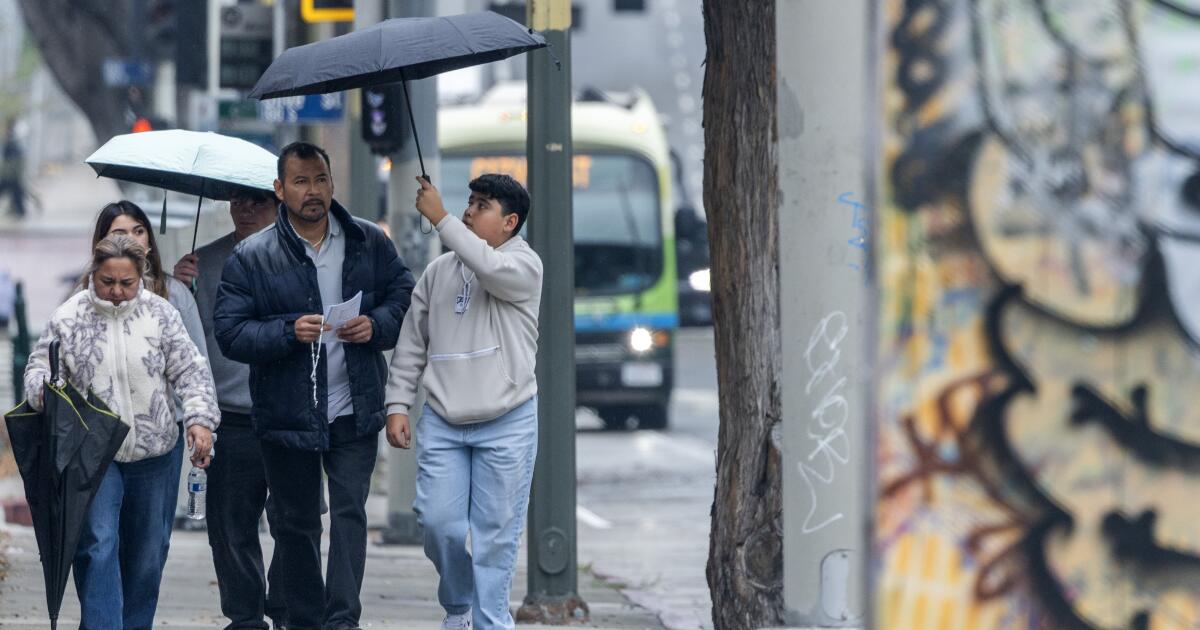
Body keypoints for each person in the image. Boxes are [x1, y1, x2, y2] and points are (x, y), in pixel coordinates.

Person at [214, 142, 415, 630]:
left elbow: (403, 293)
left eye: (320, 179)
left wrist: (376, 324)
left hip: (354, 405)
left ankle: (342, 619)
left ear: (332, 183)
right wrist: (287, 332)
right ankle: (305, 619)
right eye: (300, 182)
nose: (312, 191)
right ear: (280, 190)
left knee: (349, 513)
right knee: (297, 523)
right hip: (287, 410)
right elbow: (230, 331)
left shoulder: (369, 240)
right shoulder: (252, 256)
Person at [23, 235, 218, 629]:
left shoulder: (161, 314)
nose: (115, 291)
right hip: (94, 457)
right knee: (98, 544)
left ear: (141, 275)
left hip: (155, 453)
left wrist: (199, 421)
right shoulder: (70, 317)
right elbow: (37, 370)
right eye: (107, 281)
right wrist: (43, 393)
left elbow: (191, 371)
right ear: (93, 274)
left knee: (148, 555)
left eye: (125, 283)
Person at [384, 174, 542, 630]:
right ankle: (459, 607)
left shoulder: (524, 265)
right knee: (438, 524)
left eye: (482, 205)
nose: (469, 211)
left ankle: (491, 621)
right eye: (468, 202)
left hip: (508, 419)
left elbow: (489, 270)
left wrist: (441, 218)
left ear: (510, 222)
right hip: (444, 420)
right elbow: (412, 344)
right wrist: (398, 404)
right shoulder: (439, 272)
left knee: (496, 538)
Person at [174, 186, 288, 629]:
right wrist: (178, 289)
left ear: (278, 207)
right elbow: (182, 336)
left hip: (287, 410)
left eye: (256, 202)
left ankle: (285, 608)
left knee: (292, 523)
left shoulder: (301, 257)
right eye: (237, 202)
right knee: (230, 526)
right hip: (230, 414)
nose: (244, 210)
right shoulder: (203, 263)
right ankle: (244, 617)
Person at [81, 201, 209, 537]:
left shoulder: (173, 296)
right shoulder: (84, 300)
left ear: (150, 240)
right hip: (100, 435)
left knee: (149, 542)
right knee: (100, 537)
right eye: (120, 233)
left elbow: (197, 367)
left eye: (139, 231)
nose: (133, 240)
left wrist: (199, 421)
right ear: (102, 243)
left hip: (161, 435)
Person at [0, 119, 27, 218]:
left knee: (16, 193)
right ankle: (21, 211)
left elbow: (14, 159)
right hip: (12, 174)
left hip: (10, 173)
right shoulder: (13, 140)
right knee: (17, 193)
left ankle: (21, 211)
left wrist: (10, 170)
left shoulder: (11, 141)